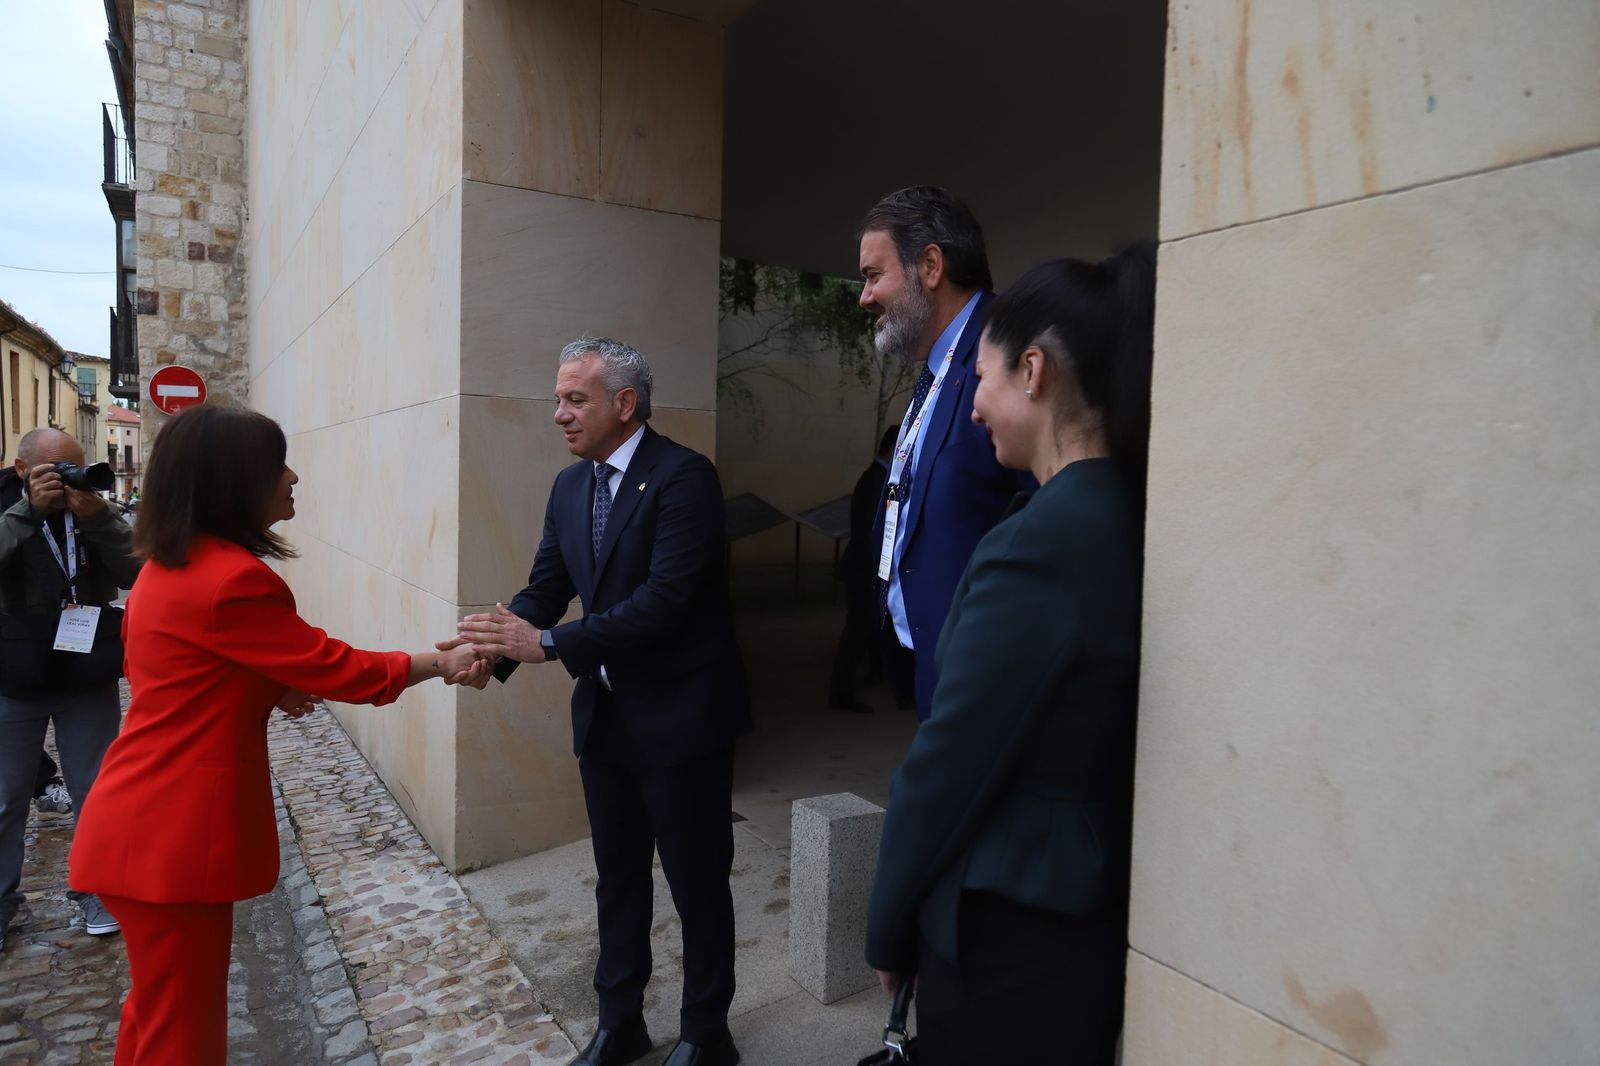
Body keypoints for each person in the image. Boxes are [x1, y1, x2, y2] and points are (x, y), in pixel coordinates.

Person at [68, 405, 484, 1066]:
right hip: (169, 840)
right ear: (234, 483)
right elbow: (337, 667)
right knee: (184, 1038)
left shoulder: (170, 568)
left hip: (138, 826)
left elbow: (194, 674)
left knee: (155, 1018)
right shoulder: (232, 581)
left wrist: (270, 684)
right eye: (275, 465)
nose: (292, 477)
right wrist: (444, 661)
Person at [864, 245, 1157, 1064]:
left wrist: (887, 924)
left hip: (1013, 931)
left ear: (1034, 372)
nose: (975, 407)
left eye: (983, 380)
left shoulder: (1044, 542)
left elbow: (948, 763)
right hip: (1085, 914)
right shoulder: (1132, 511)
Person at [452, 337, 750, 1066]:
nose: (558, 413)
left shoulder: (685, 479)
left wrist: (548, 646)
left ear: (625, 404)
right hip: (609, 719)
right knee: (618, 880)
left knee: (697, 882)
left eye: (574, 398)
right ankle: (621, 1021)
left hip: (684, 720)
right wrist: (491, 646)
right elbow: (546, 589)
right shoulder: (570, 487)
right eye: (557, 398)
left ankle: (707, 1032)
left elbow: (665, 604)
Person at [857, 186, 1029, 721]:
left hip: (989, 682)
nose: (864, 297)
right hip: (935, 665)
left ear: (930, 265)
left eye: (872, 275)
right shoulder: (939, 364)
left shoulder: (1007, 350)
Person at [1, 427, 140, 951]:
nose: (67, 480)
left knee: (99, 790)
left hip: (83, 670)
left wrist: (100, 518)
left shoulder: (91, 514)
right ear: (21, 470)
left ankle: (98, 891)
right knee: (5, 796)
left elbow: (139, 570)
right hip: (12, 671)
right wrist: (27, 514)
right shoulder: (6, 508)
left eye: (75, 467)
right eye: (55, 470)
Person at [827, 425, 898, 711]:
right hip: (864, 569)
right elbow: (874, 533)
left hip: (863, 568)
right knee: (856, 631)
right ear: (893, 450)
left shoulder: (875, 477)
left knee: (867, 627)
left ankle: (874, 674)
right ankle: (839, 694)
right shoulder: (878, 480)